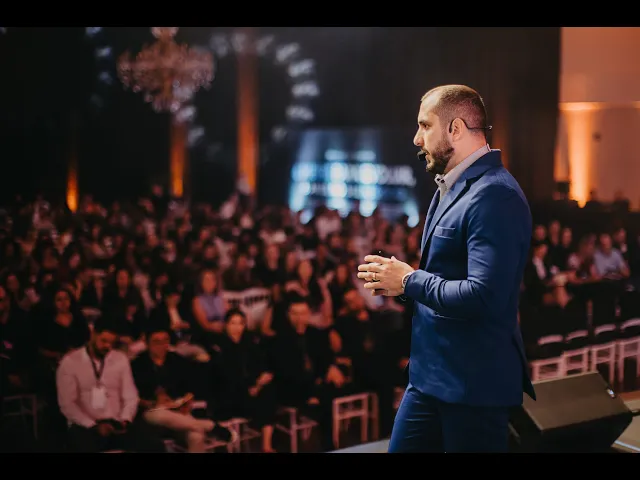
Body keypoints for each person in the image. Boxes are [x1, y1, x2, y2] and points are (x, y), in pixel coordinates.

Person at [357, 84, 535, 453]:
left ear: (455, 129)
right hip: (430, 378)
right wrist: (399, 285)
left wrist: (409, 280)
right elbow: (445, 278)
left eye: (425, 126)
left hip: (473, 385)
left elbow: (483, 296)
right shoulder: (451, 187)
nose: (416, 138)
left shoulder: (495, 195)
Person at [56, 317, 164, 452]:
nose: (108, 346)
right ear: (93, 334)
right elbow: (67, 404)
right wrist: (93, 425)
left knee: (154, 445)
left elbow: (130, 396)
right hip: (85, 425)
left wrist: (125, 420)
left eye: (112, 343)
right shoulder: (71, 362)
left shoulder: (120, 359)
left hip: (117, 422)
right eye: (104, 341)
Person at [131, 325, 234, 453]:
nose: (162, 346)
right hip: (153, 412)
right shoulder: (137, 364)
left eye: (165, 341)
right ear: (147, 344)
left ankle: (206, 426)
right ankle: (210, 425)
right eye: (156, 342)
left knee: (196, 436)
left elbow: (190, 387)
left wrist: (186, 400)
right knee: (160, 414)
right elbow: (132, 398)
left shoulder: (176, 360)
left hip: (178, 412)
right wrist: (153, 402)